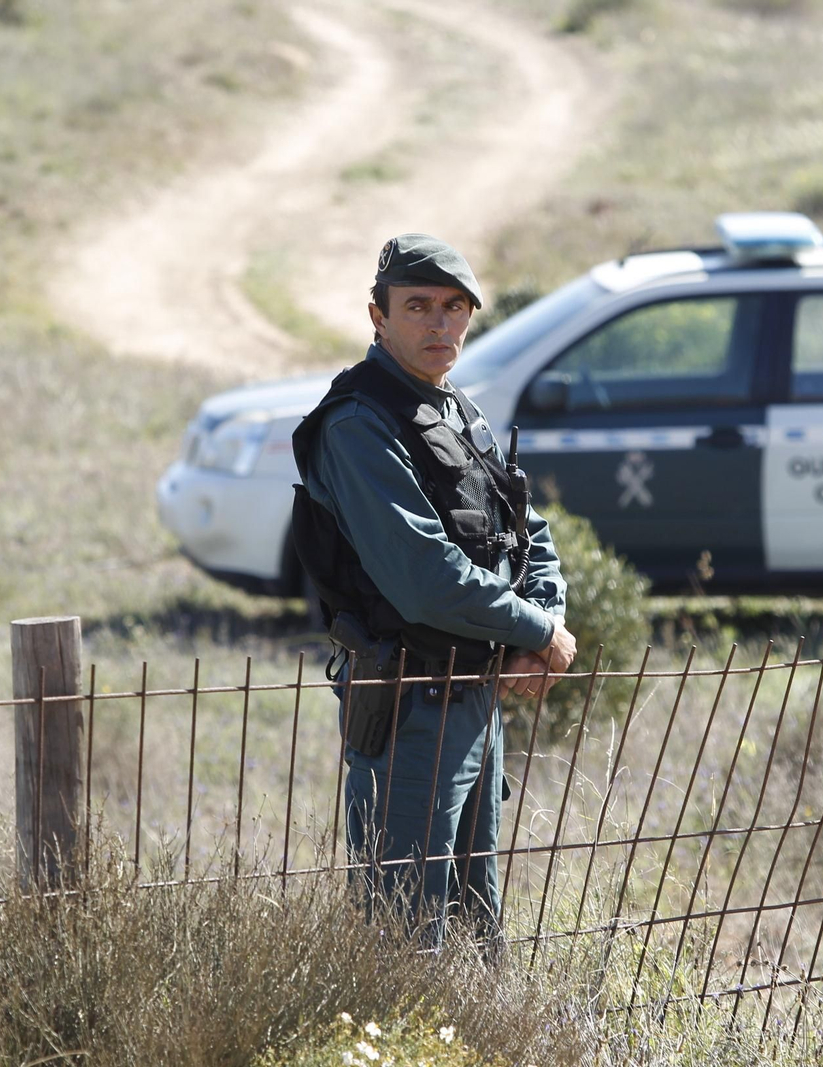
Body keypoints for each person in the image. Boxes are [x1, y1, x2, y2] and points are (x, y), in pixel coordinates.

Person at [291, 233, 576, 940]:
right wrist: (539, 632)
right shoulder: (359, 424)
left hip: (478, 696)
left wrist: (541, 622)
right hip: (409, 705)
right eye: (417, 306)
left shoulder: (455, 409)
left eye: (455, 307)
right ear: (377, 317)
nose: (439, 323)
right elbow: (425, 581)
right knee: (406, 931)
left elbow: (529, 533)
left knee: (479, 925)